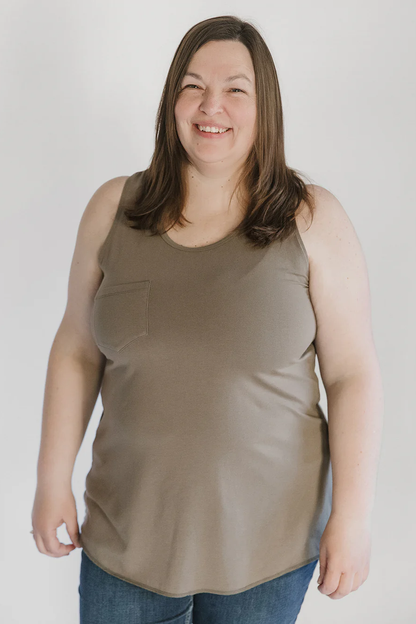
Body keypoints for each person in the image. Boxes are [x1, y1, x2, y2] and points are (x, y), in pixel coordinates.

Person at [31, 15, 383, 624]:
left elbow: (352, 373)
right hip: (125, 544)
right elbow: (76, 349)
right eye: (192, 86)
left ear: (264, 105)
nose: (210, 105)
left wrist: (352, 517)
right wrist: (49, 477)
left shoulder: (312, 219)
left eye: (234, 89)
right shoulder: (113, 209)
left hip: (269, 550)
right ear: (172, 101)